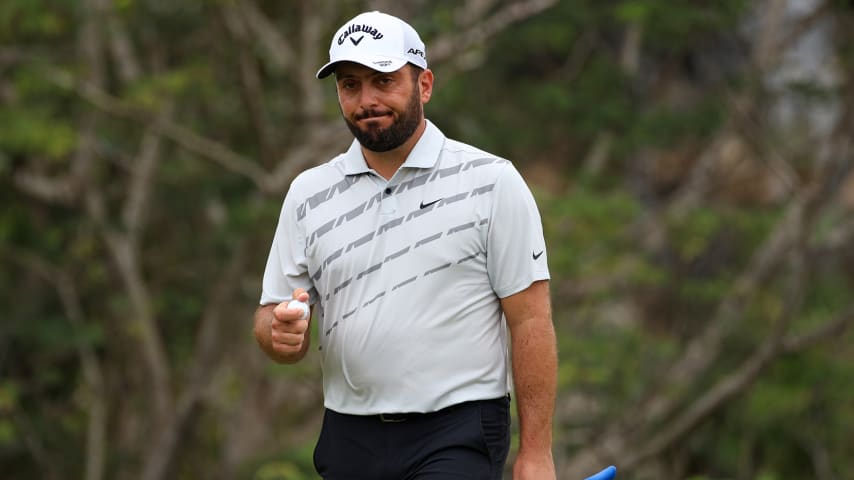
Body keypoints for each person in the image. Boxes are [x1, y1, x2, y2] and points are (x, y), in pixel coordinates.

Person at [254, 10, 557, 480]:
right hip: (348, 432)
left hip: (458, 429)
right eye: (350, 85)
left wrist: (536, 453)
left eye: (383, 80)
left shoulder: (491, 181)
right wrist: (279, 335)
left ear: (425, 85)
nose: (366, 99)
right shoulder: (308, 193)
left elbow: (531, 319)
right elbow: (271, 318)